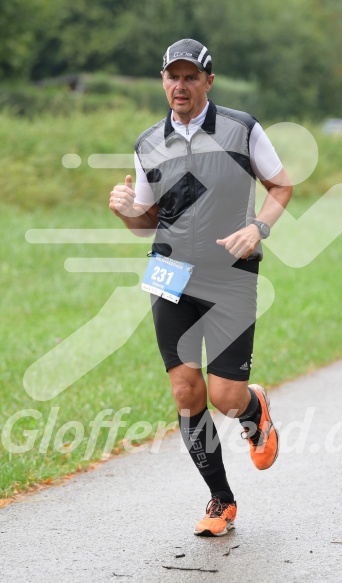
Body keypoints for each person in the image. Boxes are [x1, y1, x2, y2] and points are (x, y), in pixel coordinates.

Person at [109, 38, 293, 537]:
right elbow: (148, 224)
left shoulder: (242, 128)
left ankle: (254, 408)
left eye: (191, 77)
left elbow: (282, 186)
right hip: (169, 273)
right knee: (185, 390)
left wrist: (259, 228)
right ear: (163, 81)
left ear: (208, 82)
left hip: (231, 275)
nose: (180, 86)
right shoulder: (148, 142)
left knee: (224, 397)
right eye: (173, 76)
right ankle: (221, 501)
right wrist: (127, 212)